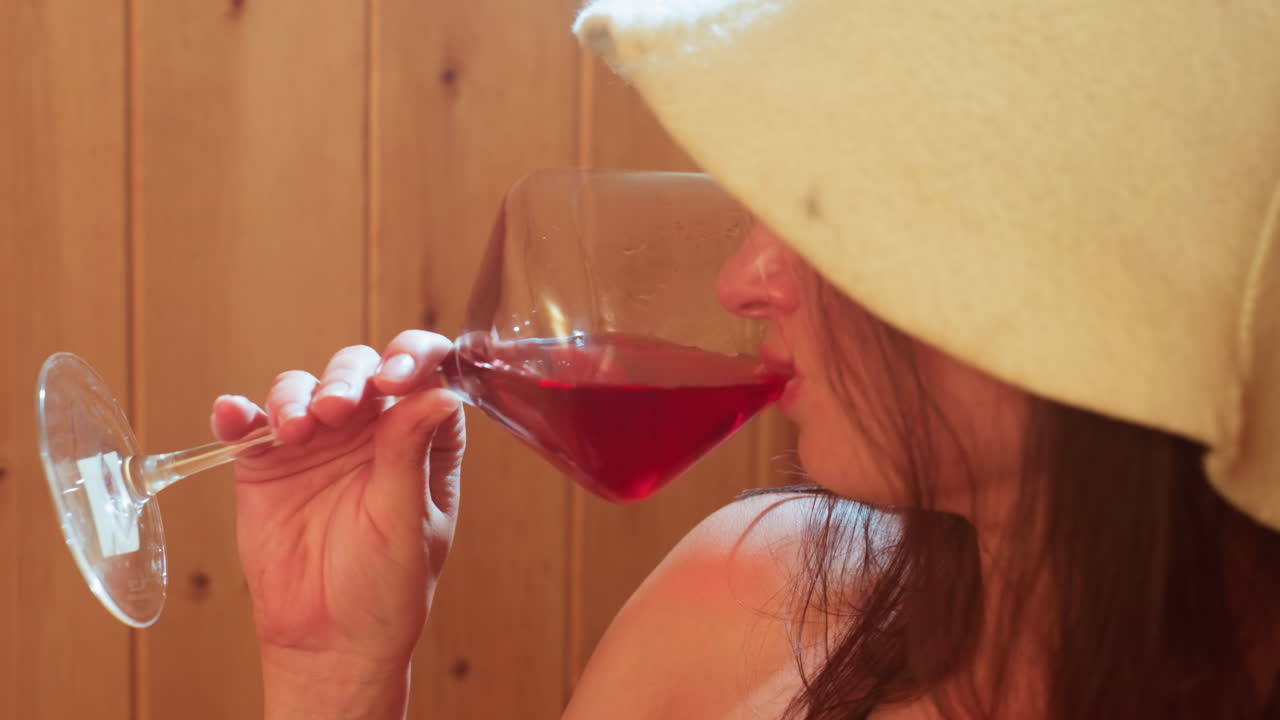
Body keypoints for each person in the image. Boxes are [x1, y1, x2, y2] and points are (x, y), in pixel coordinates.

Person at [211, 0, 1280, 717]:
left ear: (1114, 292)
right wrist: (334, 675)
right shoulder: (736, 606)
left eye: (845, 208)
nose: (740, 282)